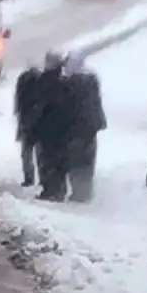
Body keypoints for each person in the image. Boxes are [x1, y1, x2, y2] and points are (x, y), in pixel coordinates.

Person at [30, 50, 76, 202]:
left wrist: (35, 125)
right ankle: (58, 189)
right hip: (62, 130)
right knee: (59, 161)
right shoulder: (64, 81)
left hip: (48, 129)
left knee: (47, 160)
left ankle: (50, 190)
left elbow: (40, 105)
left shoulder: (46, 81)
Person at [64, 51, 106, 202]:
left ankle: (78, 192)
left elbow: (68, 107)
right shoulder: (91, 79)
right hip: (90, 128)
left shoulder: (71, 83)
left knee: (75, 160)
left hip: (76, 129)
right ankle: (86, 191)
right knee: (88, 159)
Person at [13, 61, 43, 186]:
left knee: (26, 152)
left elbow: (18, 99)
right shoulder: (43, 80)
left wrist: (18, 113)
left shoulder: (23, 79)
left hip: (25, 120)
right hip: (40, 121)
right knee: (40, 153)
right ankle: (42, 179)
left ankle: (29, 178)